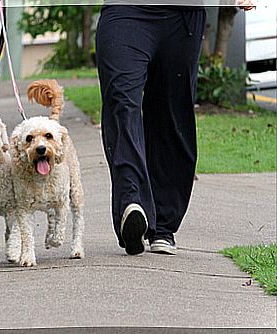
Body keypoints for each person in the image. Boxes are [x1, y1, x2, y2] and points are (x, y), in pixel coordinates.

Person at [95, 1, 255, 255]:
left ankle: (163, 225)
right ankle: (132, 202)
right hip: (125, 11)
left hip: (183, 16)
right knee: (121, 101)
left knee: (171, 113)